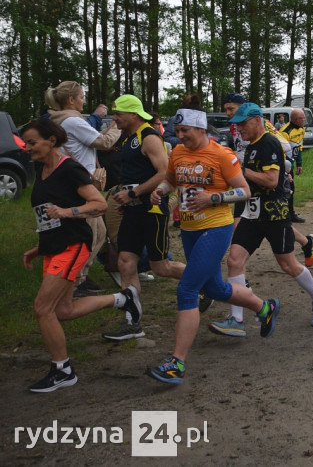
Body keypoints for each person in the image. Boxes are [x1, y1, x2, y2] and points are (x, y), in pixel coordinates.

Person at [145, 107, 280, 384]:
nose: (181, 136)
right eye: (178, 131)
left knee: (187, 288)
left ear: (201, 130)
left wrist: (213, 199)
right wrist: (160, 191)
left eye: (186, 131)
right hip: (189, 227)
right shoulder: (179, 153)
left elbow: (244, 190)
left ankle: (176, 363)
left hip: (216, 227)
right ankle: (264, 308)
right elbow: (171, 179)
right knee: (214, 288)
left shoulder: (222, 155)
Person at [20, 119, 141, 392]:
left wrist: (66, 212)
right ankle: (123, 298)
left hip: (73, 246)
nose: (27, 148)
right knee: (63, 310)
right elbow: (47, 214)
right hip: (55, 246)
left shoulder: (70, 169)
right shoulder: (42, 169)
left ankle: (62, 369)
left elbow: (98, 204)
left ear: (51, 140)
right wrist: (40, 246)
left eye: (32, 142)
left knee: (42, 308)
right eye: (25, 143)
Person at [208, 104, 313, 336]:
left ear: (257, 120)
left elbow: (272, 180)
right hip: (252, 214)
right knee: (234, 261)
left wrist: (241, 170)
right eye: (237, 124)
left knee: (288, 264)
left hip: (274, 214)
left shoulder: (269, 143)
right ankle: (237, 319)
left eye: (243, 123)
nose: (239, 128)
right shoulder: (252, 145)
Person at [102, 94, 186, 341]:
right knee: (125, 262)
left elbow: (164, 174)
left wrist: (133, 193)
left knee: (161, 267)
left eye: (118, 114)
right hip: (134, 208)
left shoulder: (149, 137)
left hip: (152, 208)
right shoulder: (129, 138)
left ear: (133, 114)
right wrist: (128, 200)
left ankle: (204, 283)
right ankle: (132, 321)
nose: (114, 118)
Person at [44, 81, 121, 297]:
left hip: (76, 182)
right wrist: (118, 125)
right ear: (71, 100)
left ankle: (81, 278)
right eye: (81, 97)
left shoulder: (62, 120)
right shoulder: (72, 121)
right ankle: (74, 283)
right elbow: (104, 142)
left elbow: (91, 139)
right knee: (90, 234)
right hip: (79, 185)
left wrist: (109, 127)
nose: (83, 101)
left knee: (99, 233)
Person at [278, 108, 308, 225]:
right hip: (284, 164)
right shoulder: (285, 131)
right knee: (288, 189)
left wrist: (299, 163)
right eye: (303, 118)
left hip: (292, 163)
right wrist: (286, 170)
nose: (304, 120)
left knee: (291, 189)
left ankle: (289, 213)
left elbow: (299, 147)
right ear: (296, 119)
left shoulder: (301, 130)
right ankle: (287, 214)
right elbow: (281, 151)